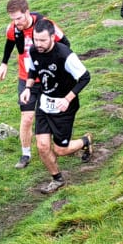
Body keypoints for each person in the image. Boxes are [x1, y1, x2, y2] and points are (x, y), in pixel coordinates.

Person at [20, 18, 91, 194]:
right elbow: (33, 70)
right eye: (36, 40)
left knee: (60, 150)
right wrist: (28, 88)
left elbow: (85, 77)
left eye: (43, 40)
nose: (39, 44)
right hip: (45, 105)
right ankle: (57, 179)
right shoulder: (34, 50)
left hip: (64, 107)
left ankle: (85, 141)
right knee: (42, 146)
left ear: (53, 37)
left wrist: (67, 99)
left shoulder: (65, 55)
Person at [0, 0, 68, 169]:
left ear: (27, 12)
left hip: (47, 78)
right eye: (13, 19)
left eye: (19, 18)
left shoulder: (44, 25)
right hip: (25, 78)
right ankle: (25, 154)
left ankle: (58, 145)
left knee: (51, 114)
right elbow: (9, 43)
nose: (16, 22)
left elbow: (65, 44)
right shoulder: (13, 28)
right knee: (27, 117)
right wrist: (4, 63)